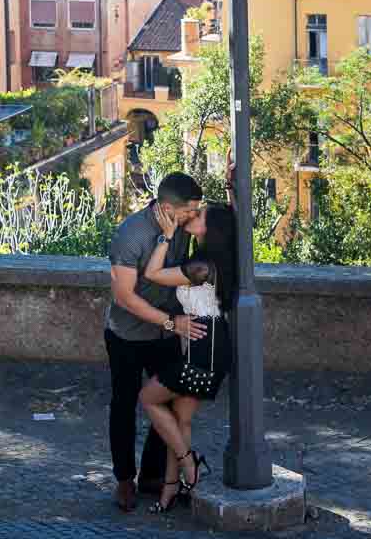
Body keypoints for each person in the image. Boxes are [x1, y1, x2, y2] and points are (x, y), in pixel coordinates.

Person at [138, 156, 237, 514]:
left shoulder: (200, 267)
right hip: (203, 345)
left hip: (204, 350)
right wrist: (230, 184)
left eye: (200, 216)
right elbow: (235, 218)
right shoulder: (213, 257)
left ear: (212, 231)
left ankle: (189, 463)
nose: (193, 215)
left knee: (148, 398)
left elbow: (151, 273)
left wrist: (165, 236)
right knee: (179, 421)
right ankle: (171, 488)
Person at [105, 172, 208, 512]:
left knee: (167, 401)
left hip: (165, 333)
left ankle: (152, 474)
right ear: (166, 207)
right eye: (188, 211)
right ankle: (124, 480)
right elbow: (124, 297)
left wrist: (231, 183)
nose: (193, 216)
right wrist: (170, 322)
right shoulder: (131, 234)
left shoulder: (179, 227)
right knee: (124, 406)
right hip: (126, 335)